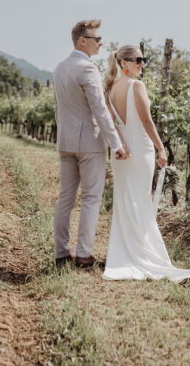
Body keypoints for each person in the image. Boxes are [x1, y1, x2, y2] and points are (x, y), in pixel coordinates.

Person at [102, 45, 190, 286]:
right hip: (140, 149)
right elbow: (147, 120)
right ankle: (141, 253)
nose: (142, 64)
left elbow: (112, 125)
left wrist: (118, 145)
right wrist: (161, 147)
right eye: (137, 60)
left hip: (121, 151)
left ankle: (124, 253)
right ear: (124, 63)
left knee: (126, 200)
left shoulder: (109, 89)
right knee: (140, 199)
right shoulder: (136, 86)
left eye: (143, 59)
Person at [52, 19, 130, 269]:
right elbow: (100, 110)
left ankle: (61, 254)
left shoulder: (59, 68)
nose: (101, 43)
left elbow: (58, 108)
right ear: (82, 40)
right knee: (91, 198)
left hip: (66, 142)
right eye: (97, 39)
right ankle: (84, 255)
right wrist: (116, 143)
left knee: (65, 198)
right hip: (89, 143)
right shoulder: (88, 69)